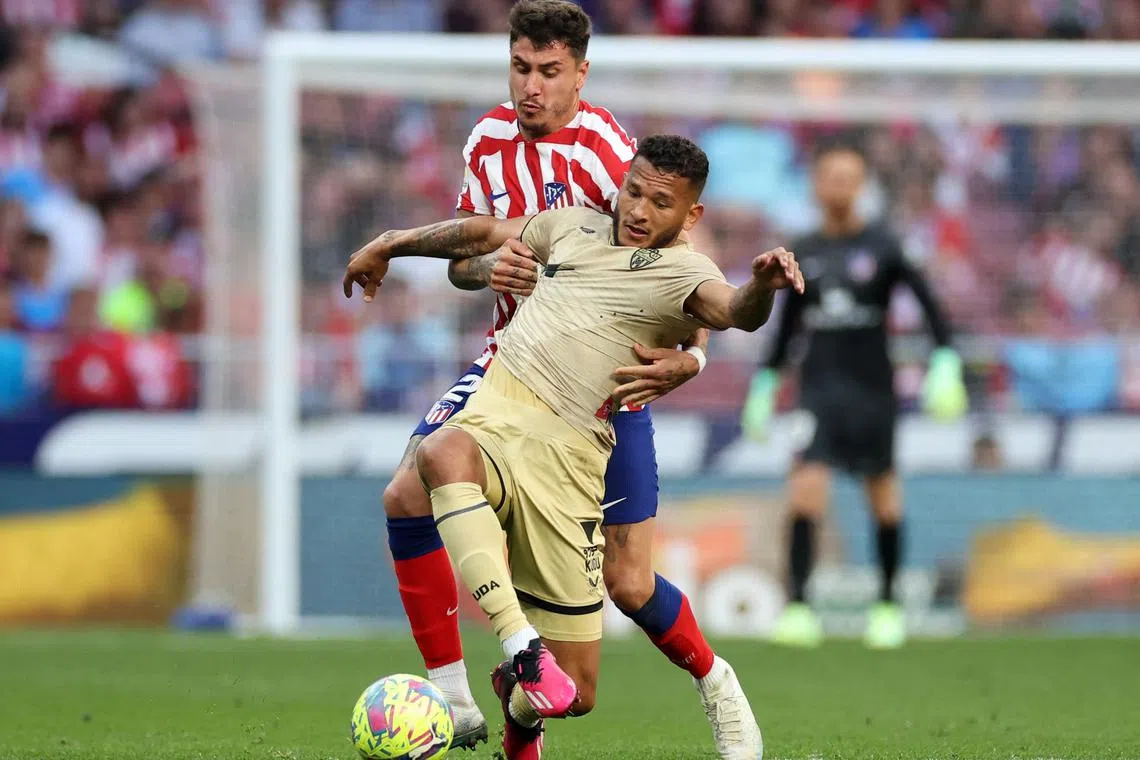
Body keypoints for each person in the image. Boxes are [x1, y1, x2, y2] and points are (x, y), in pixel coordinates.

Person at [347, 134, 799, 760]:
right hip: (500, 419)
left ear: (690, 216)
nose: (638, 210)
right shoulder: (570, 226)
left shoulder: (685, 273)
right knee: (439, 454)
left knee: (580, 690)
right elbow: (481, 236)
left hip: (571, 467)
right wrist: (390, 244)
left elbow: (734, 311)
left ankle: (537, 694)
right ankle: (515, 652)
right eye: (633, 191)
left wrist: (763, 288)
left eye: (659, 203)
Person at [378, 1, 734, 753]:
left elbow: (677, 270)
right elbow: (467, 264)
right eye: (519, 68)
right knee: (409, 487)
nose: (530, 87)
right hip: (509, 363)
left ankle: (714, 681)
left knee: (630, 585)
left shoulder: (610, 154)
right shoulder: (486, 140)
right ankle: (454, 698)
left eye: (547, 72)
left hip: (601, 389)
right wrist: (486, 269)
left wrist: (693, 356)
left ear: (580, 72)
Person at [740, 140, 967, 649]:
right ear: (817, 186)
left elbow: (932, 309)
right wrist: (766, 383)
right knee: (805, 493)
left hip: (872, 391)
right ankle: (799, 607)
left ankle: (886, 606)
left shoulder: (885, 245)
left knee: (883, 498)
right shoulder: (803, 251)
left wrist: (946, 361)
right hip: (818, 390)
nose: (839, 187)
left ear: (861, 185)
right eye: (830, 177)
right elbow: (788, 328)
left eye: (849, 178)